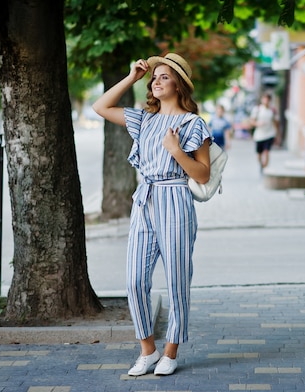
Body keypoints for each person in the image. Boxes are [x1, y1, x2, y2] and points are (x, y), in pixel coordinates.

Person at [92, 53, 211, 376]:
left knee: (176, 282)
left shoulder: (192, 123)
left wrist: (176, 151)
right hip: (144, 199)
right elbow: (100, 107)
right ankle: (148, 350)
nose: (156, 82)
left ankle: (171, 351)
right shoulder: (144, 119)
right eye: (154, 77)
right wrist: (131, 77)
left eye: (164, 77)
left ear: (179, 85)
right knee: (134, 281)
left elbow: (201, 175)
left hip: (175, 198)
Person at [249, 92, 279, 173]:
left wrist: (277, 134)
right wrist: (257, 123)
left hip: (269, 134)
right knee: (259, 154)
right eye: (264, 99)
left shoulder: (272, 110)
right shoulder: (257, 109)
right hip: (259, 135)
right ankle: (261, 165)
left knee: (266, 151)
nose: (266, 101)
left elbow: (276, 122)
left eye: (268, 99)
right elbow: (251, 121)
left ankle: (265, 167)